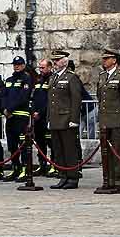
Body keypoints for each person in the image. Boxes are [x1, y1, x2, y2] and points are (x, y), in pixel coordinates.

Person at [94, 50, 120, 194]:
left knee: (119, 151)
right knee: (107, 152)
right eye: (104, 58)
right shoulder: (102, 76)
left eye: (107, 58)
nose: (104, 61)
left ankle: (118, 180)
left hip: (118, 120)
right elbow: (101, 98)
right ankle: (108, 179)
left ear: (114, 60)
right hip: (106, 119)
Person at [45, 50, 85, 190]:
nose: (55, 63)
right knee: (58, 150)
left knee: (69, 150)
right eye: (54, 60)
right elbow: (51, 101)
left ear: (64, 61)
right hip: (56, 119)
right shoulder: (53, 78)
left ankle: (72, 177)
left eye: (57, 60)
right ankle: (63, 176)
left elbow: (76, 99)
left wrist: (74, 119)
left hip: (67, 119)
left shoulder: (71, 77)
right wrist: (49, 118)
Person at [1, 56, 35, 184]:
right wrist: (4, 109)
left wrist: (9, 108)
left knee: (23, 145)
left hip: (21, 115)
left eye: (19, 64)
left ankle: (25, 169)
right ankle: (16, 167)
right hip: (9, 117)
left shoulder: (26, 79)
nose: (17, 66)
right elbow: (3, 95)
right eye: (15, 64)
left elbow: (23, 97)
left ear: (23, 65)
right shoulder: (9, 80)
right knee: (12, 144)